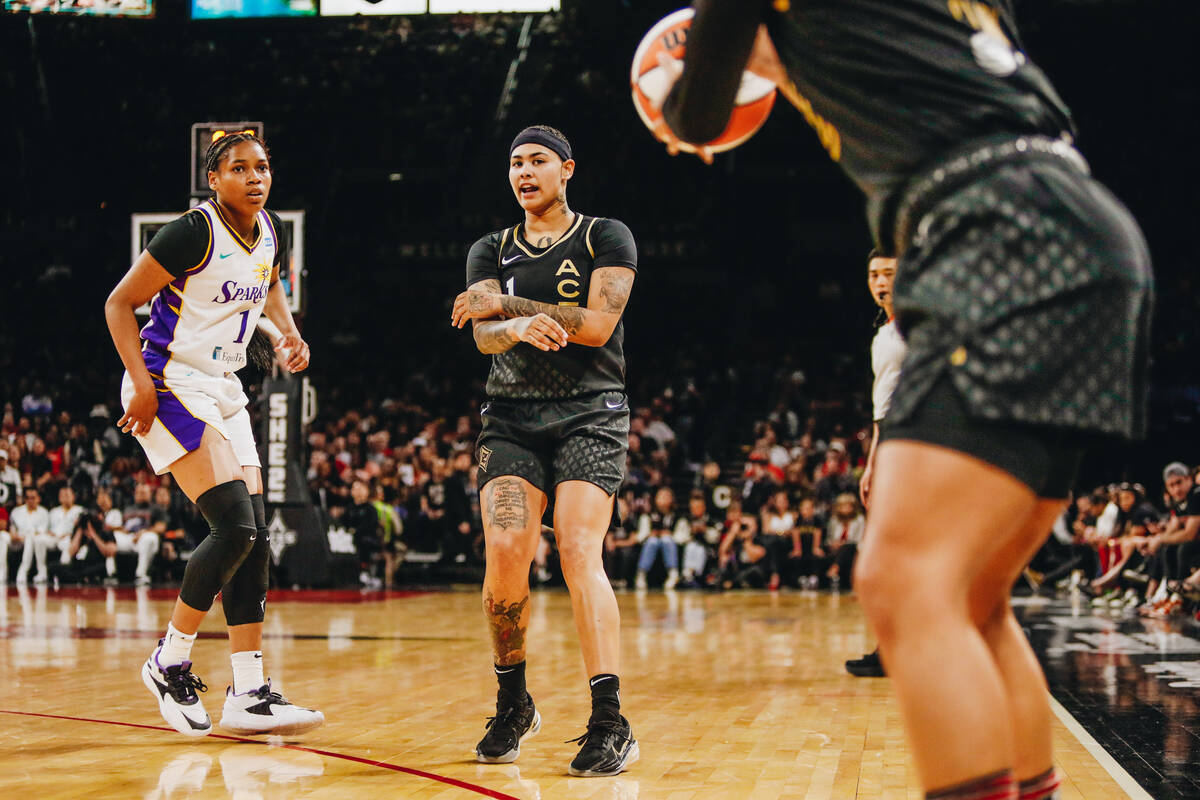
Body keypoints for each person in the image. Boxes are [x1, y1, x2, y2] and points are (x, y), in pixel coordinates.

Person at [657, 4, 1152, 799]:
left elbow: (697, 108)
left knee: (902, 580)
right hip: (1084, 227)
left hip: (996, 232)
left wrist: (686, 110)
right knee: (977, 597)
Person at [104, 132, 323, 738]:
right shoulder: (191, 232)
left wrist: (285, 332)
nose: (256, 178)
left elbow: (270, 279)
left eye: (263, 168)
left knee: (254, 539)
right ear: (214, 179)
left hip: (223, 387)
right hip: (168, 383)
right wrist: (140, 383)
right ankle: (168, 659)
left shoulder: (268, 228)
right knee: (235, 527)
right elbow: (119, 304)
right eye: (240, 169)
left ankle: (249, 692)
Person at [450, 124, 639, 776]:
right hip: (511, 421)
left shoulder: (605, 236)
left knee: (579, 548)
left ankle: (610, 720)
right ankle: (513, 701)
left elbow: (596, 325)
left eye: (537, 161)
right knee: (505, 553)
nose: (523, 172)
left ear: (567, 169)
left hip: (592, 415)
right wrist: (510, 323)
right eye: (515, 163)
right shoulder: (489, 247)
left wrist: (513, 305)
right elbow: (482, 337)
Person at [847, 251, 904, 677]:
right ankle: (890, 647)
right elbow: (881, 409)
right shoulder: (882, 334)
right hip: (890, 445)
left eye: (888, 272)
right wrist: (871, 463)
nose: (879, 281)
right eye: (873, 274)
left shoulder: (924, 327)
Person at [9, 487, 50, 585]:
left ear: (38, 498)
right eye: (27, 498)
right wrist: (13, 535)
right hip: (17, 539)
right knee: (2, 536)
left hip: (32, 539)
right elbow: (12, 527)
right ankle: (2, 573)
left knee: (30, 538)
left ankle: (23, 571)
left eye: (33, 498)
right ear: (24, 499)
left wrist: (25, 536)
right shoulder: (16, 511)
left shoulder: (44, 512)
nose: (30, 500)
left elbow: (41, 531)